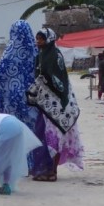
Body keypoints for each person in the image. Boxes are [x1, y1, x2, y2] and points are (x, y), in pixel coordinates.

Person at [28, 28, 83, 182]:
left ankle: (52, 172)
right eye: (37, 39)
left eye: (41, 39)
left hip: (57, 105)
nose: (38, 42)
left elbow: (58, 81)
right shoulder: (40, 55)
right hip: (44, 104)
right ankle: (45, 169)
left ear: (49, 39)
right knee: (42, 135)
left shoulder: (54, 55)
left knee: (54, 137)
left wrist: (43, 84)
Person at [0, 20, 40, 142]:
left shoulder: (7, 55)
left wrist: (0, 103)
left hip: (11, 107)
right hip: (32, 106)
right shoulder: (36, 54)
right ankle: (30, 161)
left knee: (14, 140)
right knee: (31, 139)